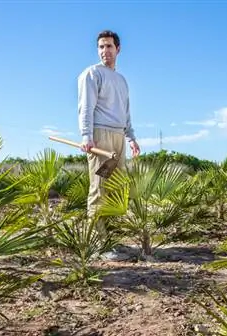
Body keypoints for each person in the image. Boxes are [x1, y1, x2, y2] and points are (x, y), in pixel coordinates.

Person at [77, 30, 141, 226]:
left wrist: (131, 138)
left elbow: (126, 111)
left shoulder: (121, 80)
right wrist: (87, 135)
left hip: (119, 138)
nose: (105, 50)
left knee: (117, 187)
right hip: (100, 138)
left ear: (118, 49)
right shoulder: (92, 73)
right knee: (100, 186)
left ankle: (111, 238)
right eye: (101, 47)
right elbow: (86, 106)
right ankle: (97, 240)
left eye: (109, 46)